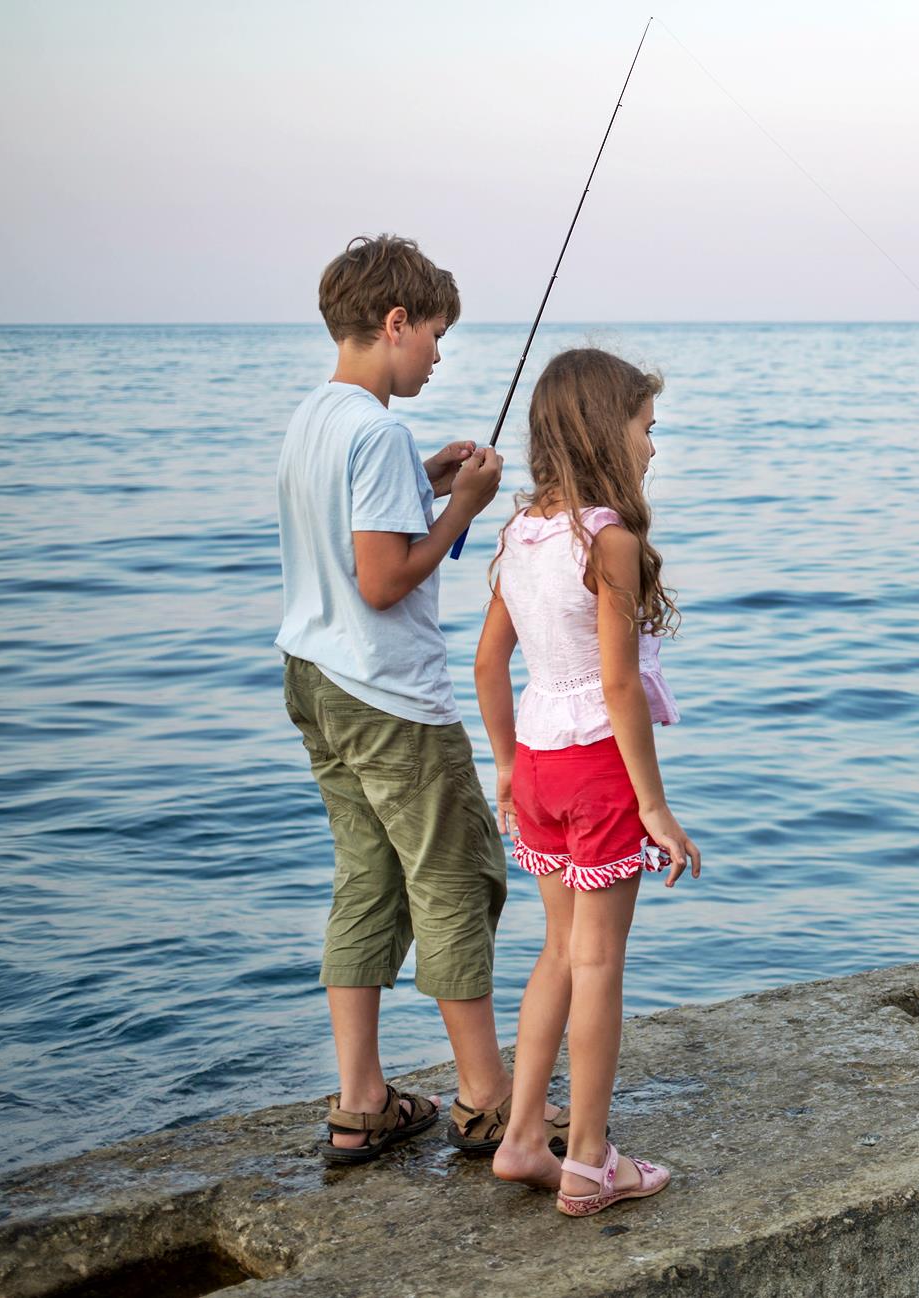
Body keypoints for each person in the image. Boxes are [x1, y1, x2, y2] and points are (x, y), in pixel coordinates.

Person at [278, 234, 560, 1163]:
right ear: (395, 323)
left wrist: (428, 482)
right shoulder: (374, 431)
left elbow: (351, 534)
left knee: (367, 879)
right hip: (388, 695)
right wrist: (464, 511)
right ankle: (486, 1100)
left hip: (315, 682)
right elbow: (384, 578)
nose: (439, 354)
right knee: (457, 882)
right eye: (434, 334)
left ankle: (361, 1102)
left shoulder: (316, 419)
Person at [476, 347, 702, 1216]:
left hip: (536, 766)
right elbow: (616, 687)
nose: (653, 446)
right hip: (599, 772)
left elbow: (489, 665)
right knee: (601, 963)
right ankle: (592, 1160)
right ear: (610, 431)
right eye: (648, 428)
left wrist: (504, 764)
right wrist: (654, 804)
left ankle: (524, 1138)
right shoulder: (610, 540)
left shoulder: (522, 535)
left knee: (559, 956)